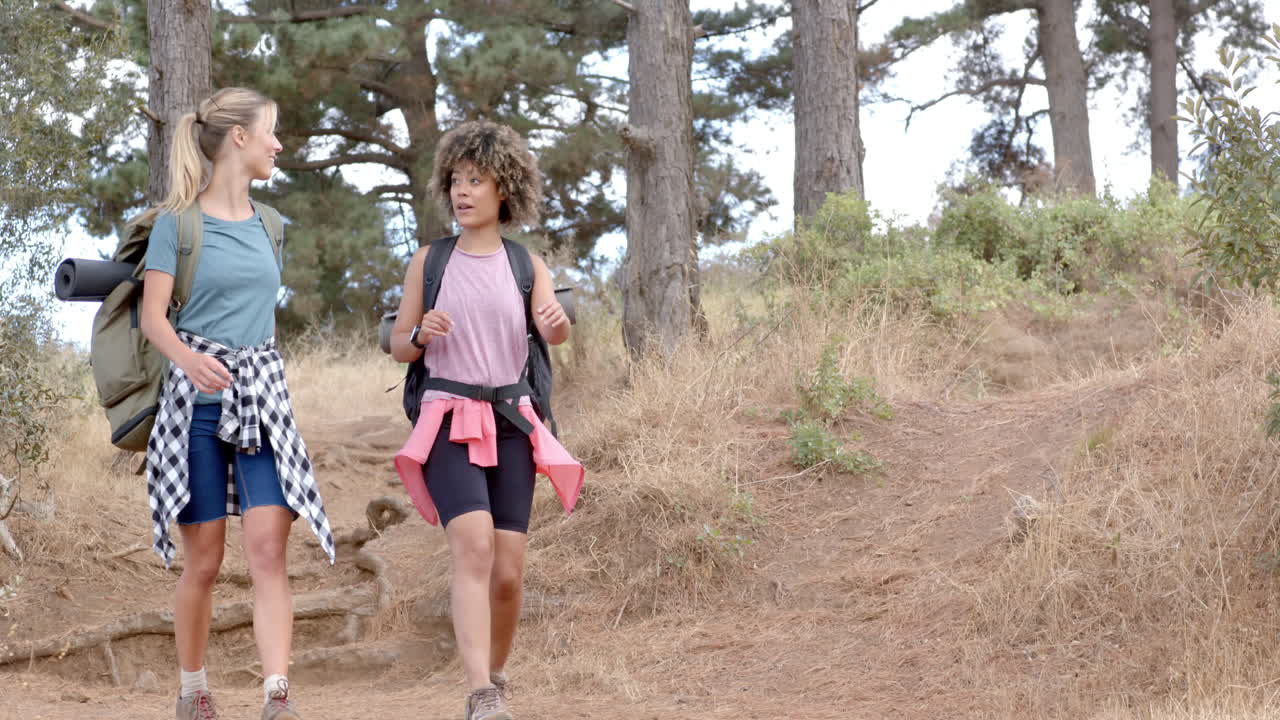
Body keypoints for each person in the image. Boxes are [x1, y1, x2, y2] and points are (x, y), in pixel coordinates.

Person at [137, 86, 335, 720]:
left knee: (269, 550)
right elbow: (152, 318)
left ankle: (277, 694)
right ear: (239, 139)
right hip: (194, 408)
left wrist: (251, 373)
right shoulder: (178, 225)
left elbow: (261, 318)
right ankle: (192, 690)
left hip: (262, 402)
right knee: (205, 561)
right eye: (271, 131)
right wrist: (191, 361)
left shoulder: (273, 226)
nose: (279, 144)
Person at [390, 120, 584, 720]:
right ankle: (479, 694)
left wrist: (556, 326)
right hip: (448, 417)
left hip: (511, 420)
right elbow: (399, 343)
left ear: (506, 190)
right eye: (455, 180)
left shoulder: (528, 265)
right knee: (471, 548)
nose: (462, 191)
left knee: (507, 572)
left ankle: (495, 674)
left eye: (477, 180)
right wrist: (420, 333)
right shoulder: (430, 261)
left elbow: (554, 328)